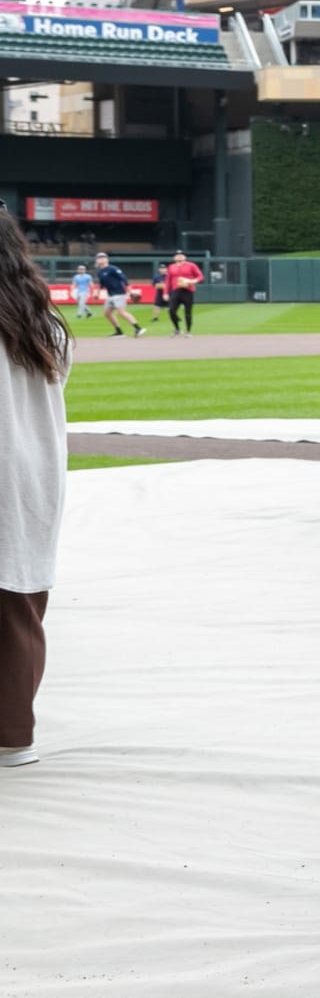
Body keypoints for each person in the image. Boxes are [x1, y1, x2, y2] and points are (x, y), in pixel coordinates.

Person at [1, 209, 68, 769]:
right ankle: (13, 731)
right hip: (34, 472)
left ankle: (11, 733)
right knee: (19, 601)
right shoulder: (42, 320)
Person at [94, 253, 142, 337]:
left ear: (107, 259)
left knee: (121, 313)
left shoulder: (113, 269)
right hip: (110, 295)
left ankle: (138, 328)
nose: (101, 259)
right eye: (99, 258)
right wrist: (97, 294)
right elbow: (101, 284)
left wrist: (130, 292)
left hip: (119, 293)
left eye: (103, 257)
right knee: (107, 313)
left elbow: (123, 279)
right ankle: (119, 331)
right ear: (96, 260)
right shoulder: (100, 272)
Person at [163, 250, 203, 336]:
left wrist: (193, 281)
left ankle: (188, 331)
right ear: (174, 257)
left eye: (181, 255)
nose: (179, 256)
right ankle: (177, 329)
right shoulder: (171, 267)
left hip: (188, 291)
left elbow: (200, 276)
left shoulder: (191, 265)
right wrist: (165, 293)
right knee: (171, 310)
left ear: (185, 257)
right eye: (177, 255)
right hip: (176, 291)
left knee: (188, 312)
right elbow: (168, 281)